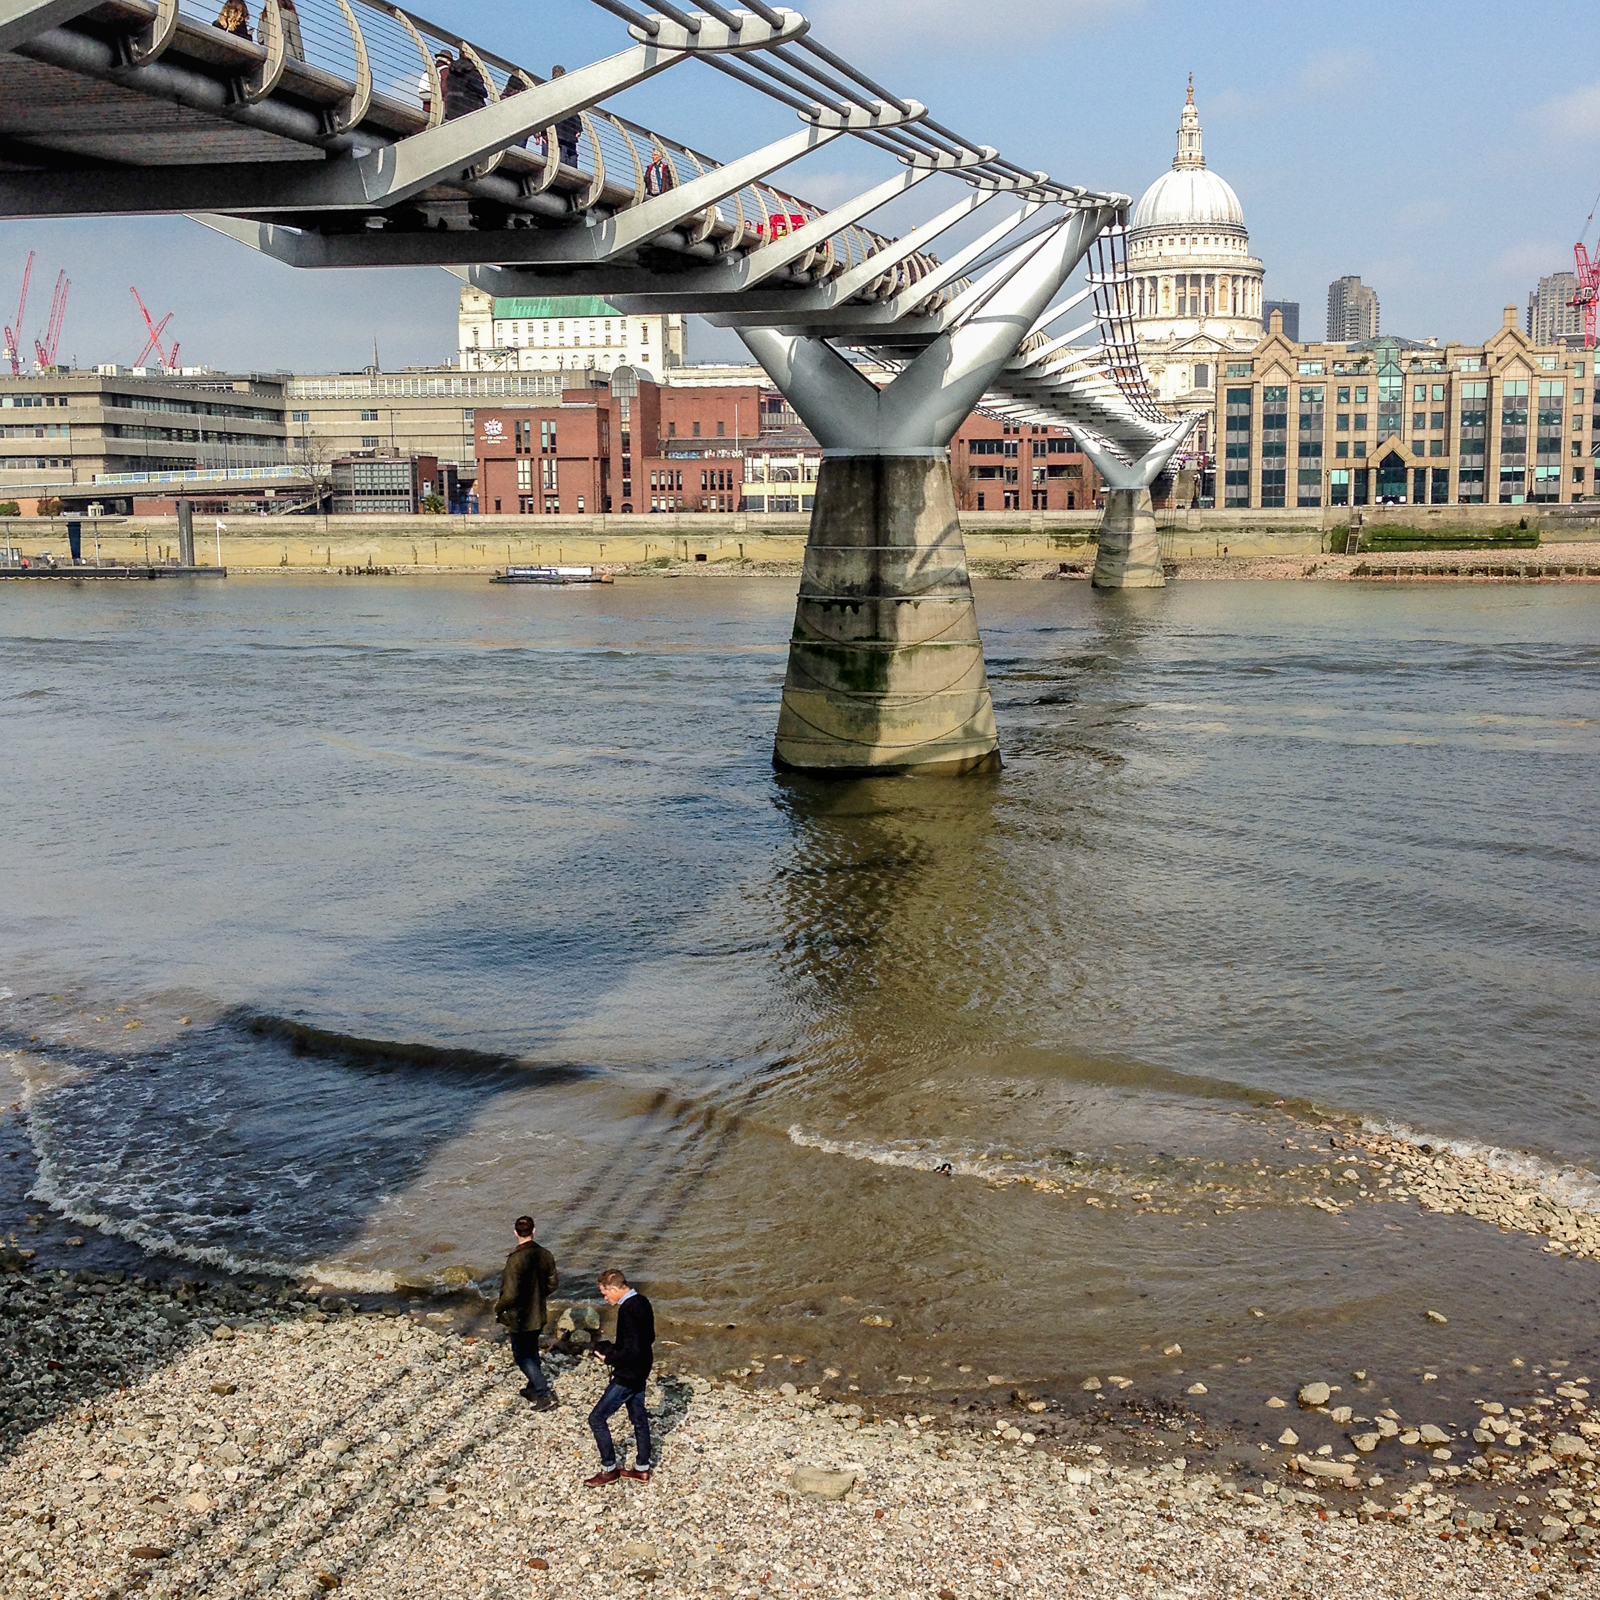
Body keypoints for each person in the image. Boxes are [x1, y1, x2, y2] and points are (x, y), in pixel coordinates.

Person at [584, 1268, 654, 1486]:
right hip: (642, 1369)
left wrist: (609, 1358)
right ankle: (642, 1468)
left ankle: (609, 1469)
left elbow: (630, 1349)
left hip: (627, 1374)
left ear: (614, 1288)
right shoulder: (643, 1301)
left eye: (605, 1293)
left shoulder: (627, 1310)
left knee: (596, 1419)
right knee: (639, 1419)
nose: (605, 1298)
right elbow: (648, 1338)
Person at [494, 1214, 559, 1411]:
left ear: (515, 1233)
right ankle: (533, 1387)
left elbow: (510, 1294)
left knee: (522, 1356)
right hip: (538, 1312)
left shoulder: (515, 1260)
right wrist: (539, 1295)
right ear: (534, 1231)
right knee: (531, 1351)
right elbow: (553, 1283)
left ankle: (544, 1392)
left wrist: (499, 1307)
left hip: (520, 1316)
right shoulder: (546, 1254)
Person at [550, 65, 582, 167]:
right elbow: (575, 111)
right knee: (571, 156)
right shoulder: (568, 92)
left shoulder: (550, 90)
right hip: (569, 131)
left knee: (561, 157)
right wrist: (578, 128)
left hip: (558, 131)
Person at [443, 47, 486, 121]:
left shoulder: (451, 71)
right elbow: (480, 90)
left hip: (453, 110)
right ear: (467, 54)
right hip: (471, 109)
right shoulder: (471, 70)